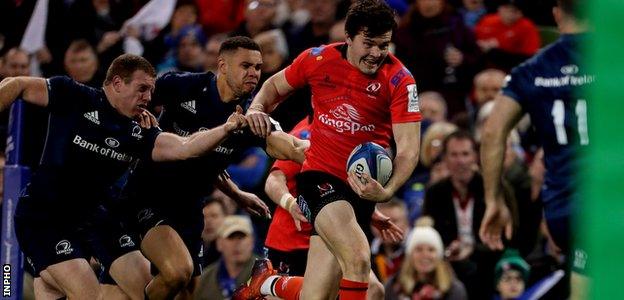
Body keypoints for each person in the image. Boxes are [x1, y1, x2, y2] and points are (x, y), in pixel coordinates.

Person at [0, 53, 249, 299]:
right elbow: (17, 84)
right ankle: (52, 282)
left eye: (151, 91)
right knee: (88, 294)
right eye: (142, 89)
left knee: (145, 291)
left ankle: (51, 286)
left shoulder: (140, 131)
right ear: (118, 83)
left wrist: (226, 128)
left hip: (96, 218)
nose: (148, 98)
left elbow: (185, 148)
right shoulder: (73, 95)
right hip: (47, 216)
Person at [236, 1, 422, 299]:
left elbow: (410, 149)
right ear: (348, 37)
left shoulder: (400, 80)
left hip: (361, 190)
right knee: (359, 259)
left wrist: (387, 192)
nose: (376, 53)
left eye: (383, 45)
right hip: (320, 179)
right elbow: (273, 87)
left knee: (323, 294)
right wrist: (257, 108)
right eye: (369, 44)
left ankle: (268, 284)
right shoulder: (317, 59)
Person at [122, 36, 307, 300]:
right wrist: (136, 117)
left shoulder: (250, 117)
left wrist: (237, 194)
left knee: (188, 292)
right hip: (146, 197)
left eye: (257, 67)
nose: (254, 73)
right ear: (222, 65)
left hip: (190, 208)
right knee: (176, 273)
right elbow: (126, 106)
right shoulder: (181, 86)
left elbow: (292, 147)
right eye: (246, 65)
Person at [479, 0, 591, 298]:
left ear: (556, 14)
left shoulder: (532, 69)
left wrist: (493, 198)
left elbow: (492, 131)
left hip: (561, 207)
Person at [384, 218, 467, 300]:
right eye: (419, 249)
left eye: (431, 250)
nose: (425, 255)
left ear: (439, 255)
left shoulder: (454, 289)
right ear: (410, 255)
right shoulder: (393, 287)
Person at [194, 215, 258, 300]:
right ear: (219, 243)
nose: (237, 243)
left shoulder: (265, 272)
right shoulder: (204, 280)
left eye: (241, 237)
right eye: (231, 237)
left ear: (252, 241)